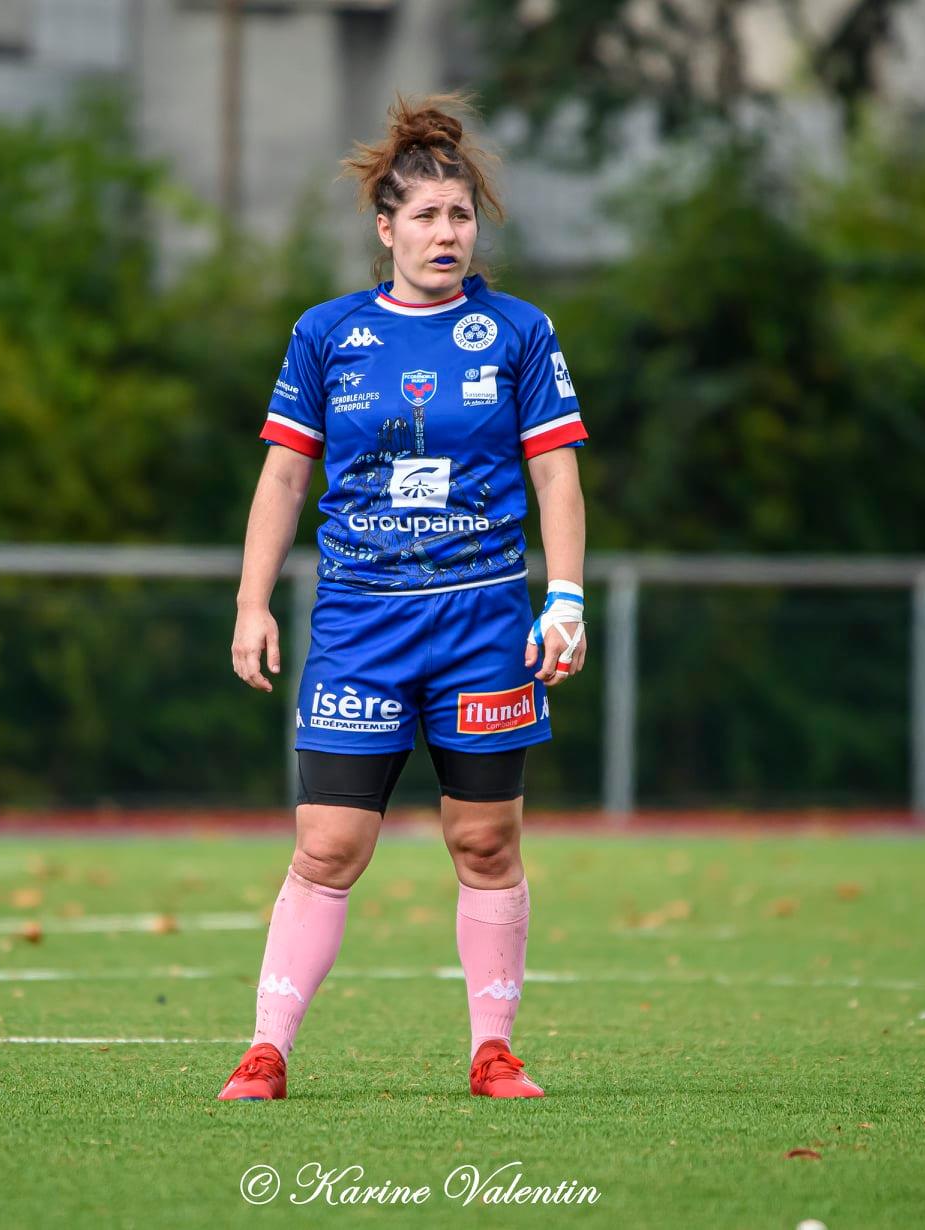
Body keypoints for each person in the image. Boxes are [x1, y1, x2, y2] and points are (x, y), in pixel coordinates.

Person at [219, 95, 588, 1102]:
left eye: (461, 216)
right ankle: (266, 1050)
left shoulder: (517, 332)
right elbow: (284, 478)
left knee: (484, 839)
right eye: (425, 217)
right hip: (359, 624)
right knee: (329, 843)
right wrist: (254, 603)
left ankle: (493, 1050)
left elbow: (555, 474)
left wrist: (564, 601)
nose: (446, 234)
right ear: (385, 228)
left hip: (480, 625)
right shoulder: (326, 334)